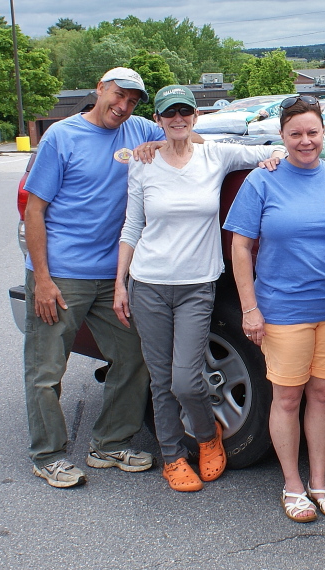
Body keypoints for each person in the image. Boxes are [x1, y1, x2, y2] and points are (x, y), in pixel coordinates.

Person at [113, 85, 284, 492]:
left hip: (197, 286)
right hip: (149, 283)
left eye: (184, 112)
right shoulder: (144, 163)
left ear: (194, 116)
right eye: (168, 113)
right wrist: (121, 282)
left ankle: (208, 438)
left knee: (187, 380)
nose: (177, 119)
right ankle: (172, 457)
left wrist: (274, 160)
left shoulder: (215, 155)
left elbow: (267, 149)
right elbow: (132, 226)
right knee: (160, 379)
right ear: (158, 119)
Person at [23, 67, 169, 488]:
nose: (123, 107)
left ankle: (110, 442)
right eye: (118, 96)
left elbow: (188, 135)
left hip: (112, 278)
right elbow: (35, 211)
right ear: (100, 90)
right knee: (46, 369)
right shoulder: (62, 137)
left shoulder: (137, 129)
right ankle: (47, 454)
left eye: (132, 101)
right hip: (61, 276)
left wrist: (163, 141)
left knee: (134, 355)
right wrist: (44, 281)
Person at [224, 95, 325, 521]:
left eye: (312, 132)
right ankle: (292, 485)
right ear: (282, 137)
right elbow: (241, 247)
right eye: (295, 134)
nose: (305, 141)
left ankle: (319, 483)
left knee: (323, 395)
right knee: (287, 399)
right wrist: (250, 309)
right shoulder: (262, 181)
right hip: (283, 310)